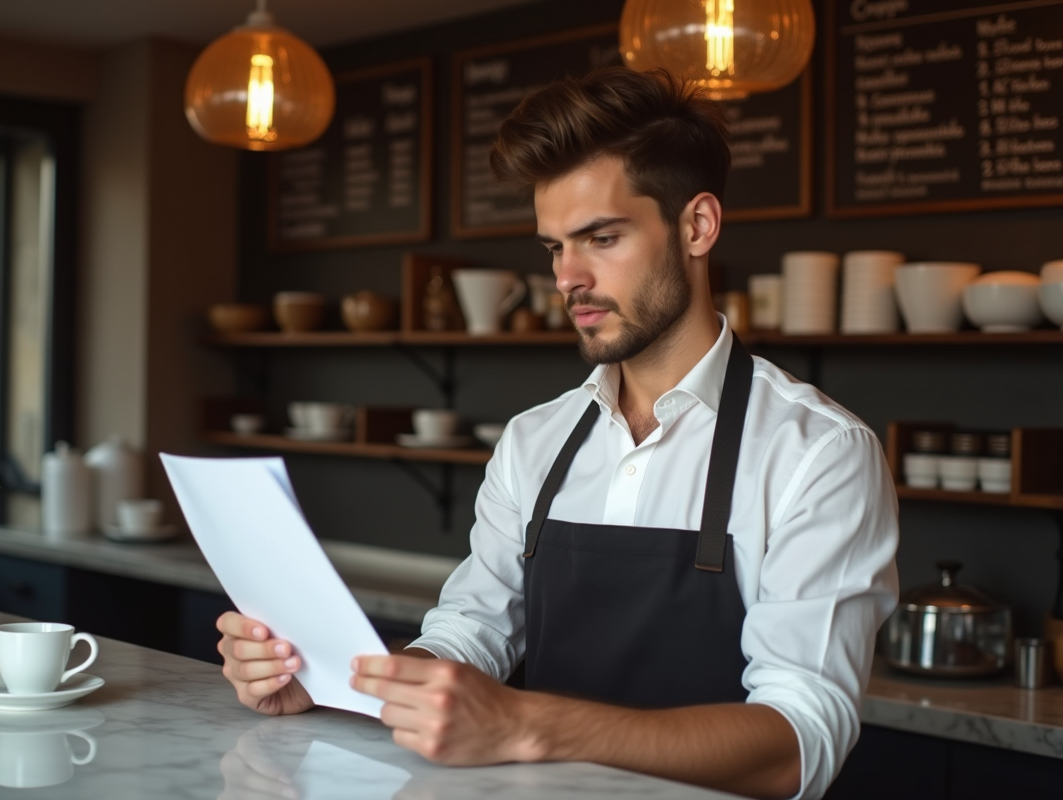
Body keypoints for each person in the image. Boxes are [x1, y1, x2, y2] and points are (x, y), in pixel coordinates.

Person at [216, 66, 899, 800]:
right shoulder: (533, 441)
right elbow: (470, 635)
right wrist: (336, 682)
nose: (568, 277)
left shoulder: (819, 454)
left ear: (697, 226)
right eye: (553, 248)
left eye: (601, 238)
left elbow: (798, 742)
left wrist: (529, 724)